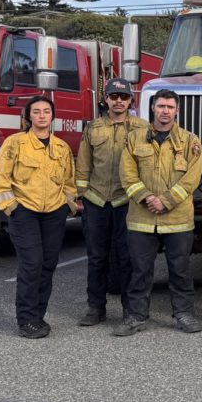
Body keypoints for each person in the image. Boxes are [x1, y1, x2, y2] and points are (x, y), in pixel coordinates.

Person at [117, 89, 202, 336]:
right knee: (140, 270)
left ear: (177, 111)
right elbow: (127, 174)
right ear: (153, 108)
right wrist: (147, 197)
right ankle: (135, 316)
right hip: (141, 219)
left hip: (177, 219)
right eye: (161, 106)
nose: (165, 111)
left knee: (181, 270)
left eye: (170, 107)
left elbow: (192, 177)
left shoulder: (190, 141)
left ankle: (184, 314)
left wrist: (165, 201)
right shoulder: (134, 139)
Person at [0, 96, 77, 339]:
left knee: (48, 265)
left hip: (54, 213)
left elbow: (70, 182)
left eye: (46, 111)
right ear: (28, 117)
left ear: (52, 116)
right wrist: (12, 208)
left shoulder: (61, 148)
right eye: (36, 111)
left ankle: (38, 316)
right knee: (31, 264)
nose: (41, 115)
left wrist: (67, 206)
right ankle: (26, 320)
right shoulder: (14, 144)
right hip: (24, 211)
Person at [74, 78, 148, 326]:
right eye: (113, 96)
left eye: (123, 96)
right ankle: (96, 308)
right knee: (96, 257)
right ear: (105, 99)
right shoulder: (92, 128)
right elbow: (83, 165)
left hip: (127, 200)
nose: (118, 100)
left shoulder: (142, 129)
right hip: (96, 201)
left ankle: (129, 309)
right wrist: (81, 195)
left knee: (127, 257)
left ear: (130, 100)